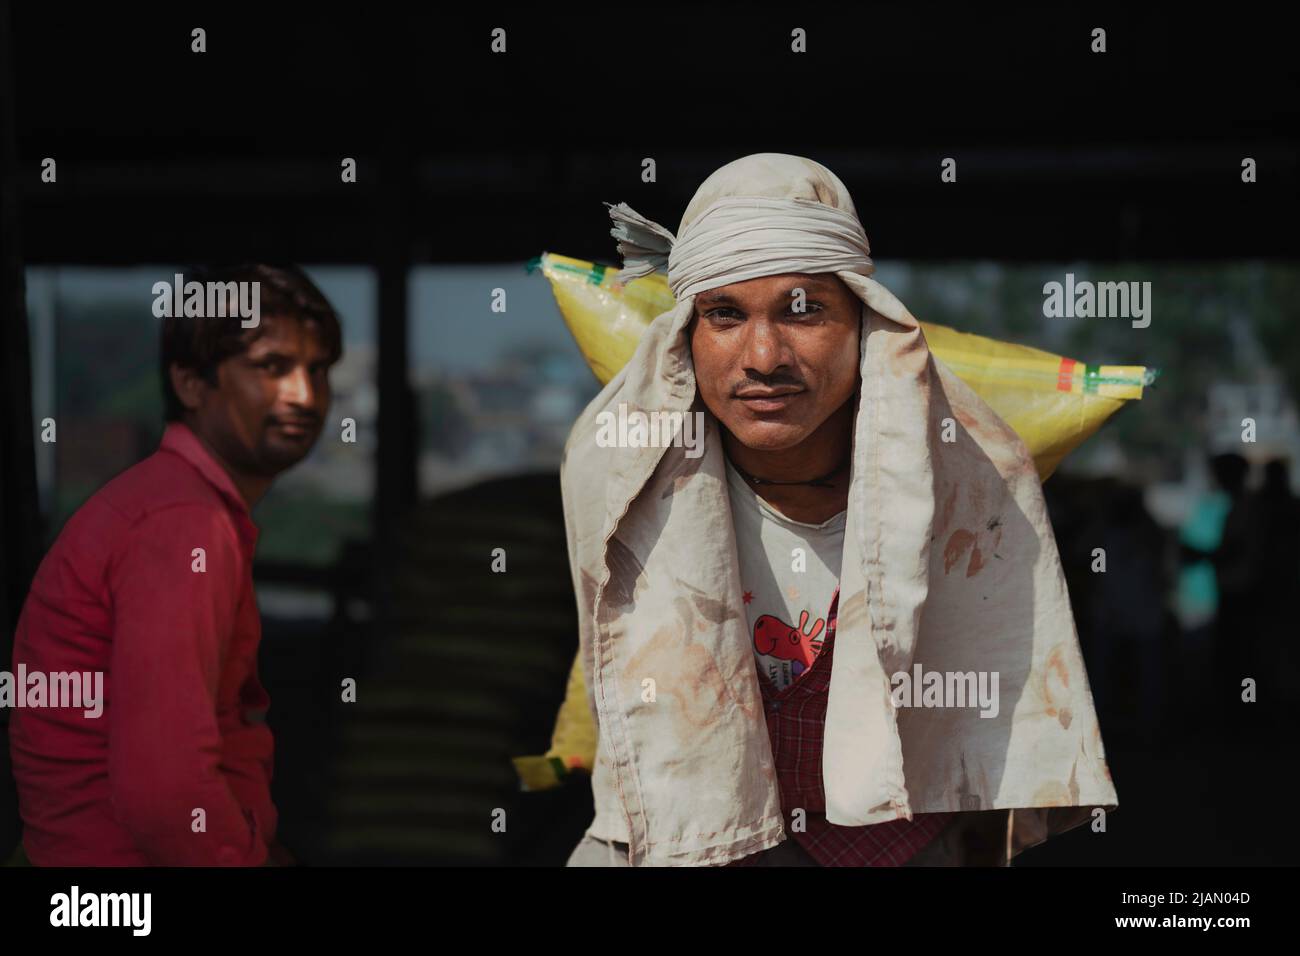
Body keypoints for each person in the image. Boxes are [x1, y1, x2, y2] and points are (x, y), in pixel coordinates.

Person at [560, 153, 1117, 867]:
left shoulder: (972, 480)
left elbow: (994, 739)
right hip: (685, 837)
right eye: (724, 315)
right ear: (685, 339)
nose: (763, 356)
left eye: (804, 311)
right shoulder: (622, 478)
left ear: (865, 328)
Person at [8, 263, 341, 865]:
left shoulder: (175, 504)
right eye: (272, 367)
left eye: (316, 369)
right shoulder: (183, 523)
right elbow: (166, 794)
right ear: (191, 385)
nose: (304, 394)